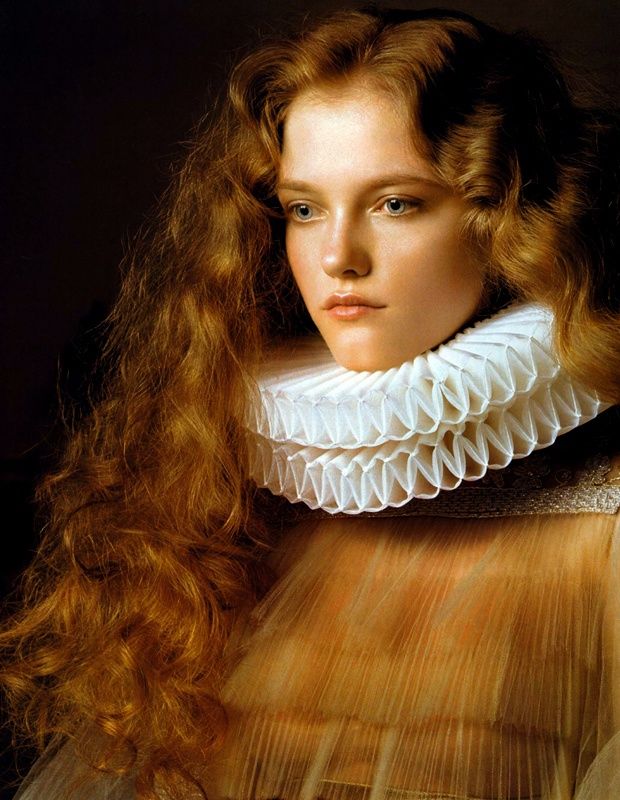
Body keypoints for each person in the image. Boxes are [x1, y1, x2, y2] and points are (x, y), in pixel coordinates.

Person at [2, 6, 619, 800]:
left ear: (508, 214)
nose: (337, 258)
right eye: (304, 208)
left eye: (396, 203)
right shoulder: (230, 485)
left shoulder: (606, 521)